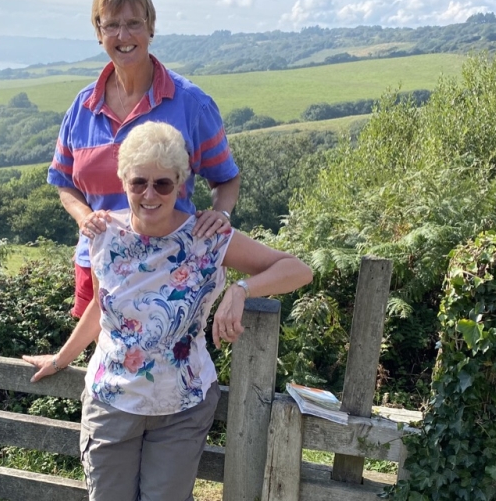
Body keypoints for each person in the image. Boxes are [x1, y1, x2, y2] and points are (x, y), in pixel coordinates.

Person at [25, 121, 313, 501]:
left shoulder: (208, 237)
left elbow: (298, 269)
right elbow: (99, 305)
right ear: (123, 180)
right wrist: (62, 359)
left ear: (180, 182)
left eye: (162, 183)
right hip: (111, 400)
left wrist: (241, 290)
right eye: (138, 182)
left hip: (182, 406)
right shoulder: (102, 234)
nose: (149, 194)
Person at [47, 0, 240, 319]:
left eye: (134, 23)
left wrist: (220, 214)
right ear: (99, 31)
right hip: (97, 263)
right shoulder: (82, 107)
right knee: (101, 364)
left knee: (159, 365)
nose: (123, 36)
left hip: (167, 266)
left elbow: (225, 177)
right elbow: (63, 181)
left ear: (151, 27)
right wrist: (85, 217)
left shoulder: (191, 104)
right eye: (112, 25)